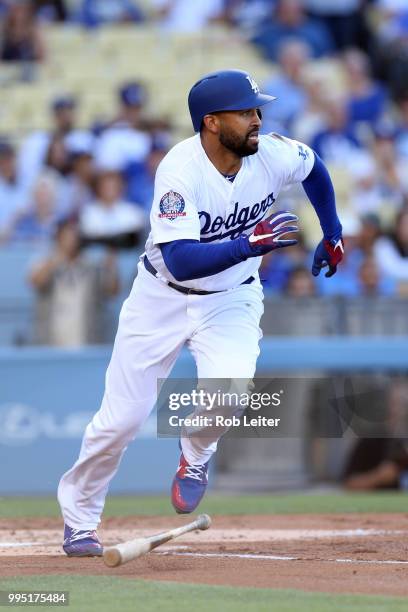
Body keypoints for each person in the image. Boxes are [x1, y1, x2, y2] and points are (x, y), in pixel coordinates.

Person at [57, 69, 344, 556]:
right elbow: (181, 258)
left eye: (257, 109)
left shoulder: (272, 152)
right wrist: (247, 242)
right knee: (120, 421)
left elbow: (313, 167)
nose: (256, 119)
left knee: (230, 392)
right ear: (211, 122)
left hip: (231, 296)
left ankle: (196, 454)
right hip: (161, 297)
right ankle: (80, 523)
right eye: (244, 111)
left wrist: (333, 232)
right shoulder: (179, 170)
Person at [29, 218, 119, 346]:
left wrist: (111, 266)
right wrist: (58, 256)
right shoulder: (46, 261)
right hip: (51, 343)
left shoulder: (92, 266)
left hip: (85, 342)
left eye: (75, 236)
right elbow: (35, 282)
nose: (72, 240)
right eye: (67, 235)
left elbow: (112, 292)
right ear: (58, 237)